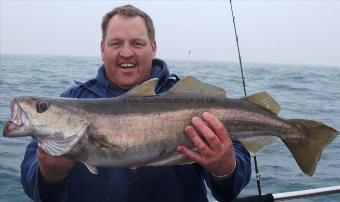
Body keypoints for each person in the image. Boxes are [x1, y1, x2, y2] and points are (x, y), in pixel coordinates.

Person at [21, 4, 251, 202]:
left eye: (137, 43)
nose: (126, 53)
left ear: (153, 47)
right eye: (116, 43)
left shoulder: (193, 101)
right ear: (102, 49)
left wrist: (225, 169)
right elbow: (36, 189)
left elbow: (229, 192)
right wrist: (49, 175)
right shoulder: (70, 103)